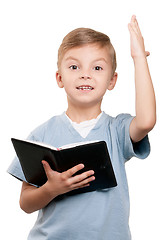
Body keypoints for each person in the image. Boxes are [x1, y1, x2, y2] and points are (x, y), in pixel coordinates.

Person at [8, 15, 156, 240]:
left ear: (112, 80)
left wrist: (138, 58)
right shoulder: (40, 135)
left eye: (97, 67)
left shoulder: (117, 131)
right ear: (60, 78)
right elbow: (25, 204)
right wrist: (51, 189)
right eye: (74, 66)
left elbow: (146, 121)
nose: (85, 74)